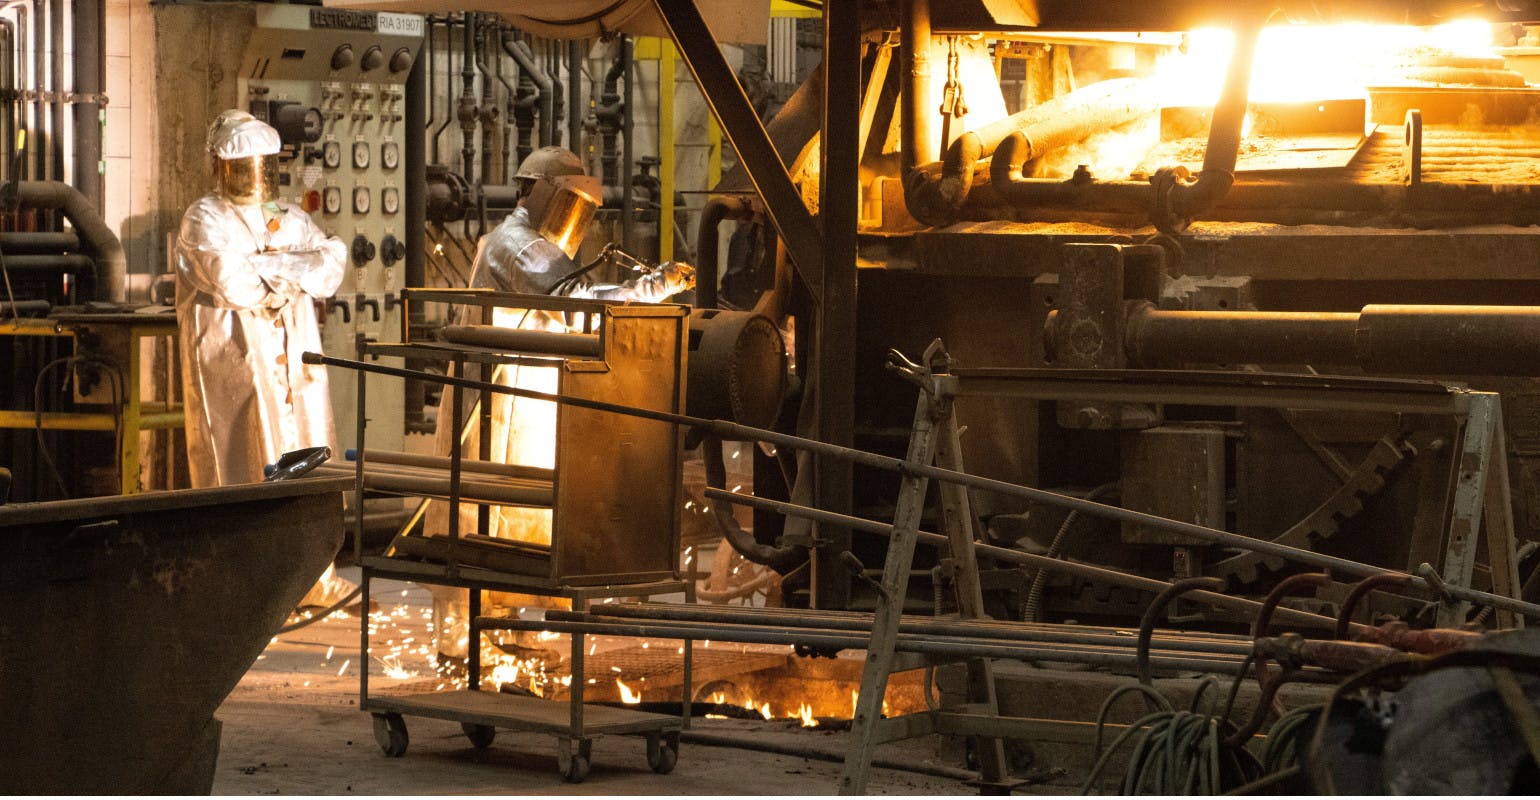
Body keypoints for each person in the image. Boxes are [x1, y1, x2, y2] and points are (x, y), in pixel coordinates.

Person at [429, 147, 694, 671]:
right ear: (535, 192)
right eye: (567, 206)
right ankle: (462, 645)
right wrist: (654, 286)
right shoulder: (514, 241)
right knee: (480, 516)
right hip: (493, 395)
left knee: (523, 518)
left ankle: (506, 631)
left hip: (522, 391)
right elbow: (574, 297)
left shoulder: (537, 244)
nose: (573, 221)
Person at [175, 109, 352, 607]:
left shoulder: (289, 216)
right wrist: (289, 272)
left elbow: (330, 264)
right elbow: (232, 281)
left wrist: (267, 267)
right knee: (243, 460)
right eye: (244, 163)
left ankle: (315, 576)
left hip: (294, 355)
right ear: (220, 165)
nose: (255, 175)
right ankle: (248, 584)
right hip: (236, 359)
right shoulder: (205, 218)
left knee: (310, 454)